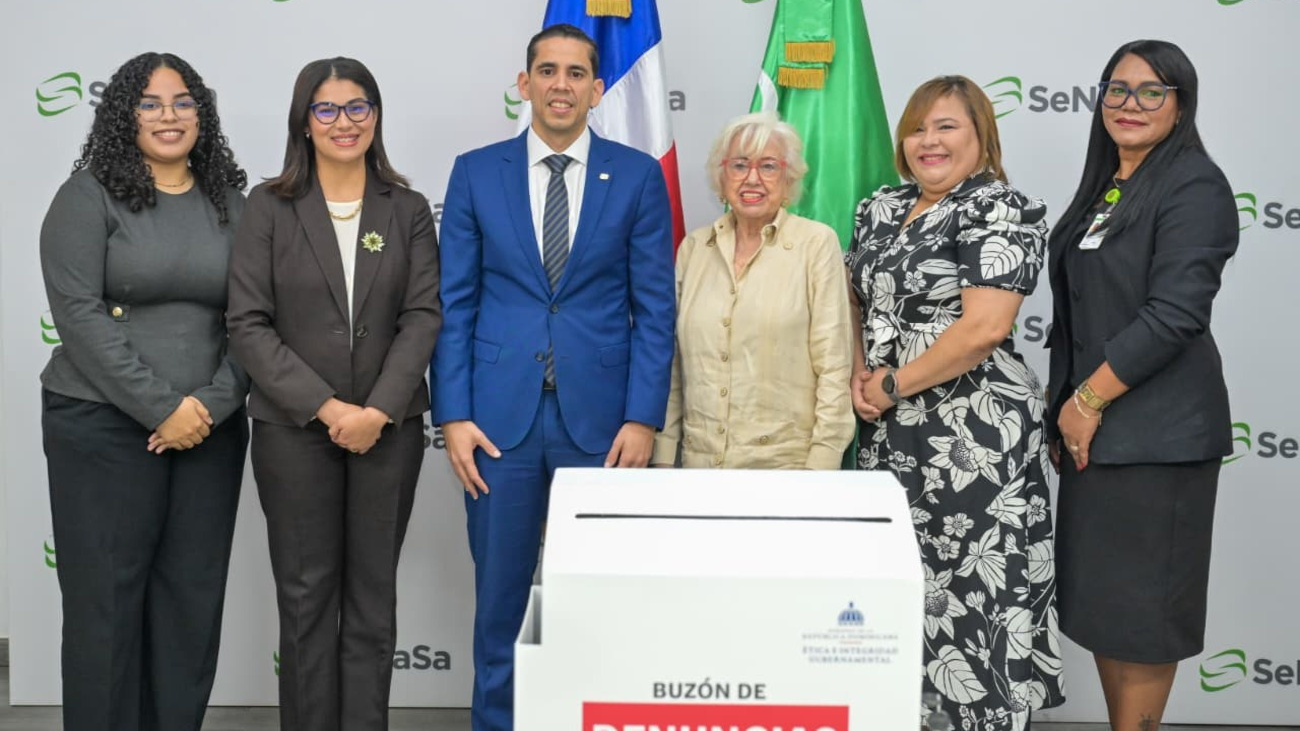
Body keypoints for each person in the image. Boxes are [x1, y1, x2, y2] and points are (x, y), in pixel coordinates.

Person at [431, 23, 675, 731]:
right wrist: (452, 415)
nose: (560, 85)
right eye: (547, 70)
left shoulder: (637, 176)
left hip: (602, 424)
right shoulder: (476, 172)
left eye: (575, 73)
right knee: (500, 606)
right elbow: (454, 304)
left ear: (597, 90)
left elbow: (655, 309)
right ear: (525, 84)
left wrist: (643, 417)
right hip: (495, 425)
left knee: (597, 601)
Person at [226, 57, 441, 731]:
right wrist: (327, 407)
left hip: (389, 431)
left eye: (357, 107)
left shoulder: (407, 209)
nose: (343, 122)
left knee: (373, 600)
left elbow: (422, 316)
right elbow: (247, 323)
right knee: (305, 599)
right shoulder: (267, 206)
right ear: (304, 121)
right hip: (294, 431)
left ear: (375, 116)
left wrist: (377, 410)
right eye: (326, 108)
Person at [846, 75, 1065, 730]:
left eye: (947, 127)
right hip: (888, 435)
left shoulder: (1000, 207)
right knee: (896, 596)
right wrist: (860, 373)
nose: (929, 141)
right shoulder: (879, 207)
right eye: (918, 127)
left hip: (973, 438)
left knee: (974, 598)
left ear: (981, 136)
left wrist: (893, 384)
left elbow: (984, 328)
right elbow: (852, 299)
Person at [38, 51, 249, 731]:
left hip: (210, 431)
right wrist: (162, 407)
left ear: (201, 113)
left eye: (183, 101)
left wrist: (209, 407)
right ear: (123, 114)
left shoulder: (232, 204)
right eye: (150, 103)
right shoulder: (87, 196)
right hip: (100, 426)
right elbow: (78, 315)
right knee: (105, 606)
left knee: (190, 605)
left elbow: (254, 320)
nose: (168, 115)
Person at [1046, 40, 1237, 731]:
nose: (1131, 104)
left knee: (1147, 619)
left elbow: (1176, 314)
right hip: (1096, 439)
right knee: (1108, 612)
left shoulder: (1194, 185)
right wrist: (1068, 410)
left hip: (1159, 440)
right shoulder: (1112, 185)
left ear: (1180, 105)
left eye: (1152, 91)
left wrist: (1087, 399)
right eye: (1118, 89)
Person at [651, 111, 853, 469]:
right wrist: (663, 455)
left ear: (789, 179)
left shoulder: (815, 244)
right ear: (721, 176)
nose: (752, 178)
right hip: (700, 468)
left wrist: (823, 465)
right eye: (740, 165)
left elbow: (834, 365)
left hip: (788, 469)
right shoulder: (694, 249)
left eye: (769, 166)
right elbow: (672, 365)